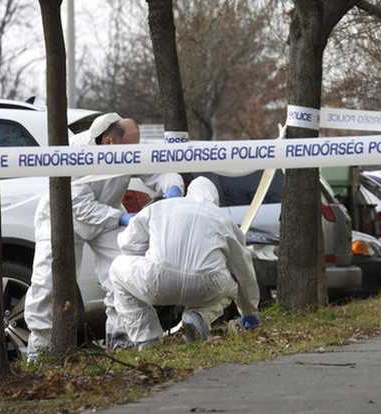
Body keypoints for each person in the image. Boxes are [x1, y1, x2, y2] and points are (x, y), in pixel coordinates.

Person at [24, 113, 185, 362]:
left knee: (121, 274)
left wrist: (172, 187)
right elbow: (81, 206)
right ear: (108, 143)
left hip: (107, 213)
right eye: (129, 149)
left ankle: (122, 337)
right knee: (48, 283)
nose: (133, 154)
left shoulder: (127, 148)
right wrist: (121, 219)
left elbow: (159, 169)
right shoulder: (74, 152)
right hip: (62, 216)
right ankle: (41, 349)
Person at [109, 176, 260, 349]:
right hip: (208, 285)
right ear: (213, 198)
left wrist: (147, 262)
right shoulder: (221, 217)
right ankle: (198, 316)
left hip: (158, 281)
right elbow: (244, 269)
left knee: (116, 268)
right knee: (232, 287)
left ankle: (147, 338)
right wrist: (250, 313)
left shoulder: (159, 208)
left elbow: (128, 245)